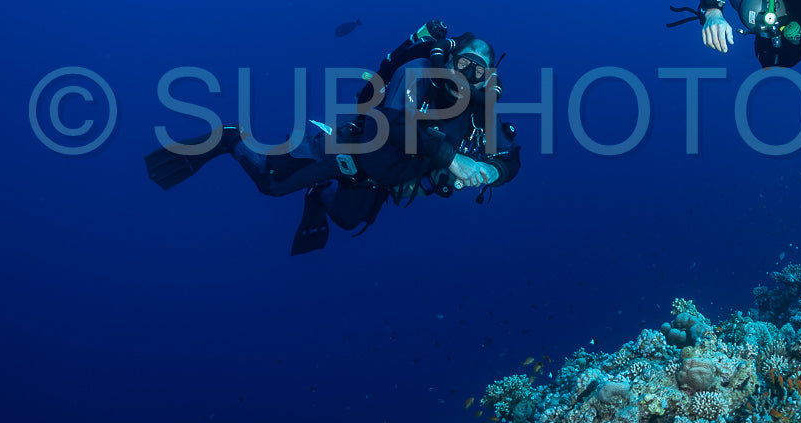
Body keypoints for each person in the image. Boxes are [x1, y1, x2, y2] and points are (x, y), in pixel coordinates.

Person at [144, 23, 521, 254]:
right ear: (450, 58)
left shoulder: (480, 113)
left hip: (376, 181)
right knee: (270, 185)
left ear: (487, 79)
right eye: (463, 63)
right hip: (346, 152)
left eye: (477, 71)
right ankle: (230, 138)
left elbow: (512, 158)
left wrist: (490, 173)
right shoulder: (418, 72)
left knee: (345, 220)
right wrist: (454, 160)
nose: (466, 75)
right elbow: (392, 121)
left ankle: (319, 195)